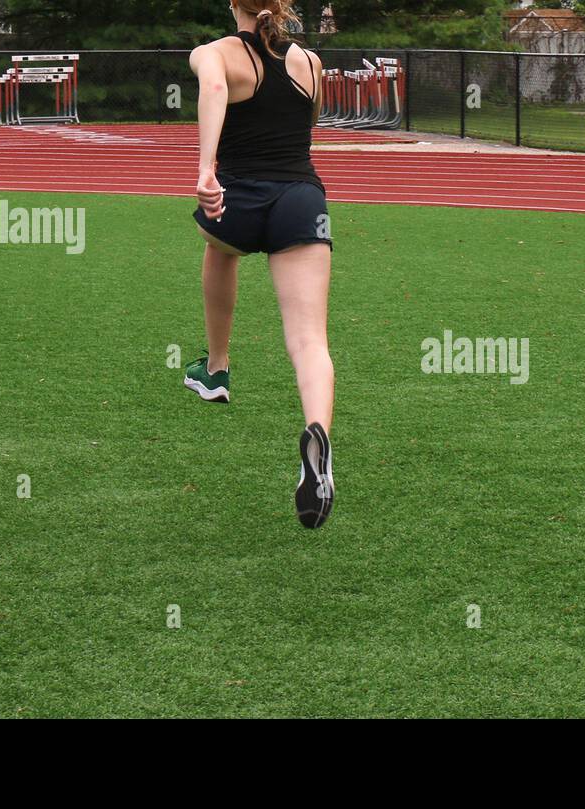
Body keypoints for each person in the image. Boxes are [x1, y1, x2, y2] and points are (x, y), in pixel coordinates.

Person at [185, 0, 334, 529]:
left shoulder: (214, 53)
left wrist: (206, 170)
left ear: (233, 4)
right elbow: (304, 127)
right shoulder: (311, 64)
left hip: (238, 200)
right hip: (301, 198)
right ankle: (318, 436)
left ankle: (218, 367)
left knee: (217, 245)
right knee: (310, 340)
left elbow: (217, 90)